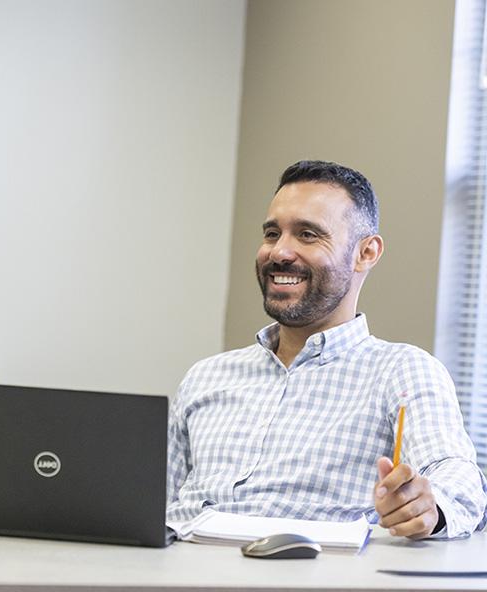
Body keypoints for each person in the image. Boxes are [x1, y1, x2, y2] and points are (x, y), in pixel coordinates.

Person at [167, 160, 487, 539]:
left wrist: (428, 505)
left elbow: (459, 479)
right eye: (272, 233)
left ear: (366, 253)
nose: (280, 252)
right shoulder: (206, 377)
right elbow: (153, 506)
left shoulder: (402, 370)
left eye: (307, 234)